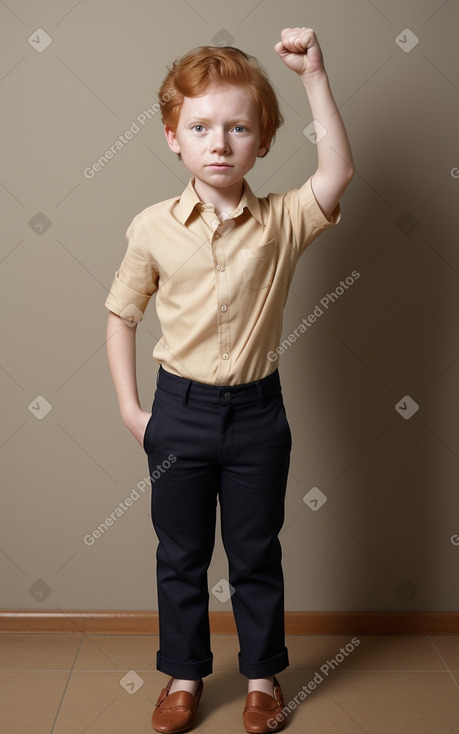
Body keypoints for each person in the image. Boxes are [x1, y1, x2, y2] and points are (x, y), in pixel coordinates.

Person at [105, 26, 353, 734]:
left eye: (238, 127)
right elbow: (121, 314)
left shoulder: (280, 222)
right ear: (173, 138)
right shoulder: (151, 227)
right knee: (179, 554)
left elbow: (337, 173)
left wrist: (312, 76)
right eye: (201, 127)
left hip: (256, 416)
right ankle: (182, 677)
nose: (219, 142)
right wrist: (133, 412)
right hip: (177, 412)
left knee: (254, 552)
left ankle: (261, 679)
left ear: (262, 140)